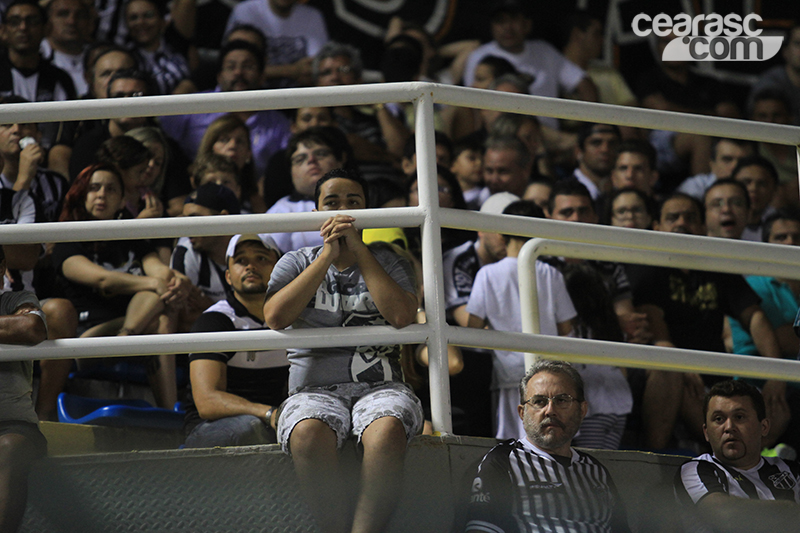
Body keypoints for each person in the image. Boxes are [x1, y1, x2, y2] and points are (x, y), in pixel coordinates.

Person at [263, 168, 423, 533]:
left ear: (366, 211)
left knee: (387, 428)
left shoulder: (389, 258)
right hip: (312, 389)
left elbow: (401, 315)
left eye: (353, 203)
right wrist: (325, 258)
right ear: (317, 210)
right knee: (306, 432)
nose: (342, 211)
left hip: (382, 388)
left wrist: (361, 252)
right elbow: (274, 316)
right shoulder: (296, 260)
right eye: (331, 203)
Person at [626, 193, 789, 450]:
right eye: (673, 217)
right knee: (674, 375)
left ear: (702, 227)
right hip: (672, 371)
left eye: (690, 218)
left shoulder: (713, 263)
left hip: (716, 375)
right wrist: (682, 365)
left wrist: (776, 372)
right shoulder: (647, 266)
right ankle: (656, 458)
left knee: (778, 405)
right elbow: (654, 321)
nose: (682, 223)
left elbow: (753, 316)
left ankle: (759, 455)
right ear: (656, 226)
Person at [51, 163, 190, 408]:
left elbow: (157, 268)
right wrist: (156, 283)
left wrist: (177, 281)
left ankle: (128, 339)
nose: (102, 194)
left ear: (122, 199)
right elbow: (102, 279)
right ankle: (170, 410)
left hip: (132, 327)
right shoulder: (67, 241)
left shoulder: (131, 239)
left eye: (111, 189)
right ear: (82, 194)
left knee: (163, 311)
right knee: (158, 299)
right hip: (89, 334)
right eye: (94, 188)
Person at [463, 359, 630, 533]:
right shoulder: (503, 462)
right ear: (522, 413)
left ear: (582, 410)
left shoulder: (596, 470)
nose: (550, 410)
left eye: (562, 400)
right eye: (539, 401)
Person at [467, 200, 576, 440]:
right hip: (550, 374)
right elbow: (567, 328)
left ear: (501, 233)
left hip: (507, 374)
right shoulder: (551, 274)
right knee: (549, 437)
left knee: (511, 440)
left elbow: (472, 328)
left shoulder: (487, 274)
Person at [184, 234, 289, 448]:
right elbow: (207, 402)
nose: (250, 266)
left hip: (278, 421)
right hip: (213, 427)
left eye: (261, 258)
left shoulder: (297, 318)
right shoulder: (214, 321)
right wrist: (268, 413)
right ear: (228, 276)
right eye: (241, 260)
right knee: (248, 428)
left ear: (281, 269)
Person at [674, 380, 799, 533]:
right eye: (719, 419)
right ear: (706, 432)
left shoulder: (792, 471)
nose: (729, 427)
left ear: (764, 427)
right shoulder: (696, 469)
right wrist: (790, 509)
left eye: (739, 417)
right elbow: (726, 515)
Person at [160, 39, 291, 181]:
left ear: (261, 77)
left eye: (248, 66)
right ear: (219, 76)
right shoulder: (193, 106)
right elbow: (164, 145)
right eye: (231, 67)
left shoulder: (279, 124)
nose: (238, 72)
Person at [462, 0, 597, 131]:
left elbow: (584, 83)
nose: (507, 27)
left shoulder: (544, 51)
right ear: (491, 26)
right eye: (500, 21)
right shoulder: (479, 57)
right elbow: (471, 107)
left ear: (527, 24)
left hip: (551, 140)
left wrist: (588, 128)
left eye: (514, 19)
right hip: (505, 136)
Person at [0, 244, 49, 533]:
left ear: (2, 267)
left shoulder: (16, 299)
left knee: (9, 448)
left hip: (14, 427)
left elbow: (31, 328)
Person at [0, 0, 77, 148]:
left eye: (32, 21)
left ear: (46, 29)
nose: (23, 28)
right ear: (3, 30)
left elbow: (66, 131)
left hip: (47, 153)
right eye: (15, 22)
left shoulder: (59, 79)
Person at [265, 127, 350, 253]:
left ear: (341, 159)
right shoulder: (281, 209)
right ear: (290, 171)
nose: (311, 160)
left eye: (321, 154)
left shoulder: (367, 197)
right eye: (300, 159)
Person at [171, 182, 241, 329]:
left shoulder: (257, 248)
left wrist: (209, 306)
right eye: (185, 220)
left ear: (223, 218)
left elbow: (263, 314)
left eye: (195, 218)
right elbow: (184, 319)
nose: (187, 228)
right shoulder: (186, 250)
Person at [224, 0, 327, 88]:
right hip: (254, 94)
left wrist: (271, 71)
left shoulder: (312, 15)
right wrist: (291, 70)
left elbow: (316, 66)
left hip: (297, 96)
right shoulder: (246, 11)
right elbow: (238, 67)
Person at [123, 0, 191, 95]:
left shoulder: (179, 47)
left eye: (148, 15)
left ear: (163, 20)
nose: (141, 22)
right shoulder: (124, 57)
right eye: (133, 18)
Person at [40, 0, 94, 97]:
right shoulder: (35, 55)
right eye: (63, 14)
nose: (71, 21)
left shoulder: (97, 57)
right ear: (47, 21)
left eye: (80, 15)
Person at [676, 138, 756, 201]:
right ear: (712, 164)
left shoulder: (759, 190)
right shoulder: (695, 189)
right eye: (727, 159)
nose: (735, 166)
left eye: (743, 161)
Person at [731, 156, 779, 242]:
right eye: (746, 182)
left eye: (762, 184)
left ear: (774, 190)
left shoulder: (783, 226)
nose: (753, 188)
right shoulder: (720, 221)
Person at [571, 123, 621, 201]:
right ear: (578, 151)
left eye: (612, 143)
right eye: (596, 143)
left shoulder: (623, 191)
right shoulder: (563, 192)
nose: (605, 149)